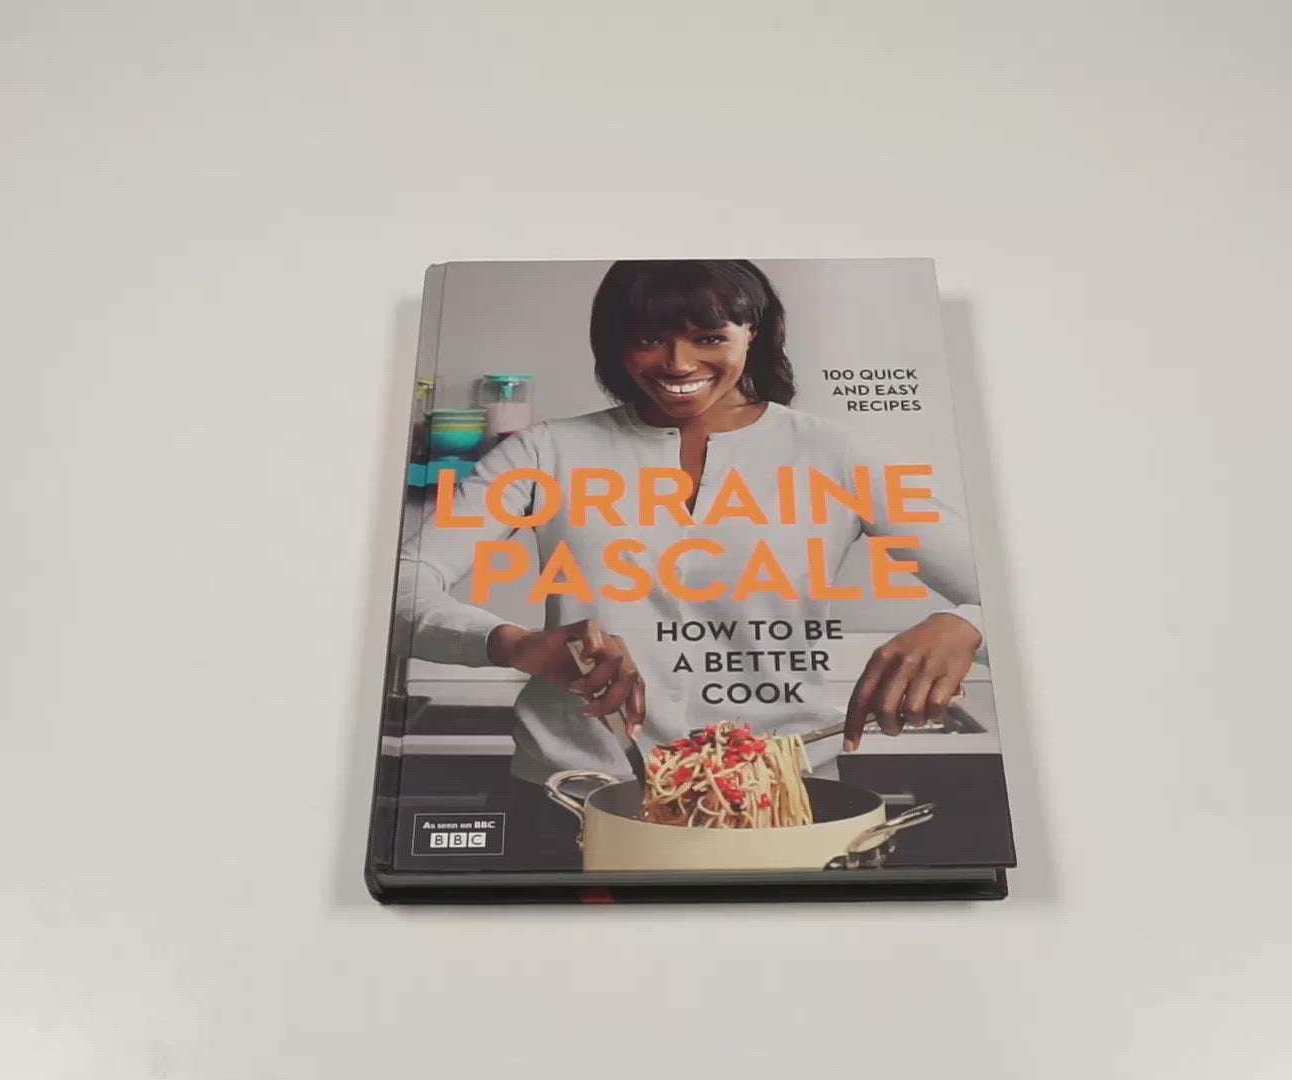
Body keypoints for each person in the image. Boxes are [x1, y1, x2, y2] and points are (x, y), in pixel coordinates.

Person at [395, 260, 986, 861]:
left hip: (780, 802)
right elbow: (398, 590)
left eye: (708, 337)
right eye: (649, 338)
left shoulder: (834, 453)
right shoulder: (544, 452)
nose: (678, 364)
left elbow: (1007, 594)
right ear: (615, 343)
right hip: (574, 797)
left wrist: (964, 624)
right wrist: (514, 644)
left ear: (754, 333)